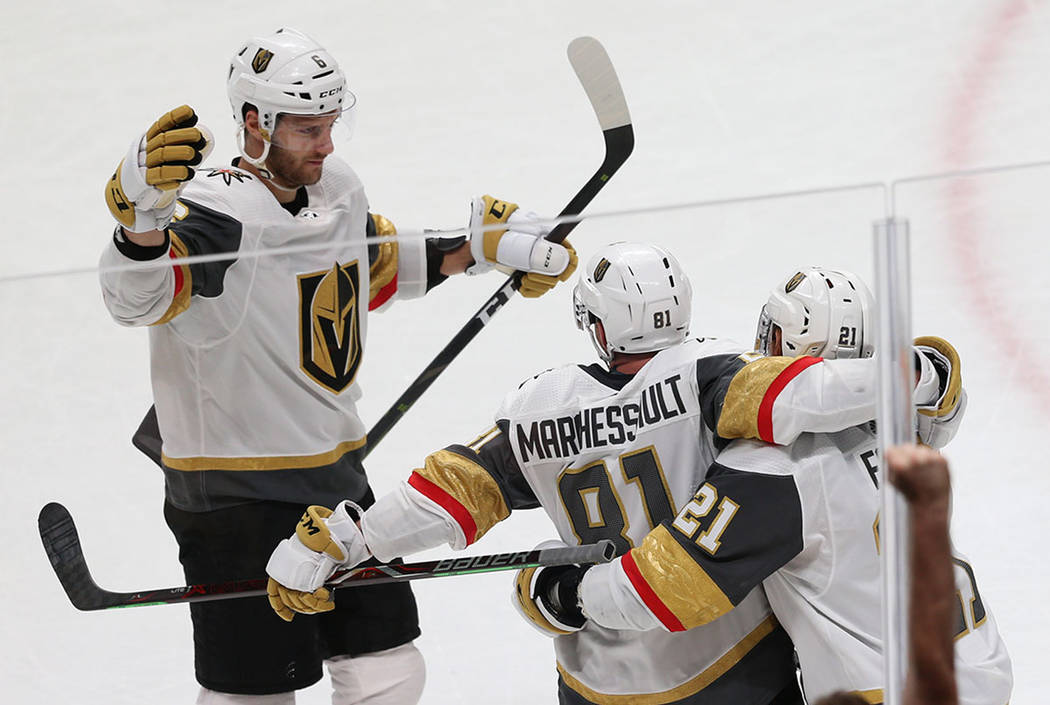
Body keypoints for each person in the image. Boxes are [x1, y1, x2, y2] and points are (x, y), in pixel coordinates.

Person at [98, 27, 578, 705]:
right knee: (255, 693)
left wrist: (478, 247)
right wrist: (139, 224)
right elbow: (139, 298)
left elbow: (370, 264)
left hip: (334, 478)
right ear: (255, 125)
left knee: (389, 669)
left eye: (329, 125)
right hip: (234, 497)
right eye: (306, 129)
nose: (325, 144)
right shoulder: (215, 212)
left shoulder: (336, 187)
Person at [265, 245, 954, 705]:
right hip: (730, 666)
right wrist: (914, 374)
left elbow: (455, 488)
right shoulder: (710, 376)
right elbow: (802, 396)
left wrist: (351, 541)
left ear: (595, 325)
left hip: (597, 680)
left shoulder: (537, 409)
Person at [539, 267, 1012, 705]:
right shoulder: (902, 421)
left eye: (776, 332)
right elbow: (941, 396)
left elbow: (669, 587)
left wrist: (570, 590)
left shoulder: (776, 468)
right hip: (980, 668)